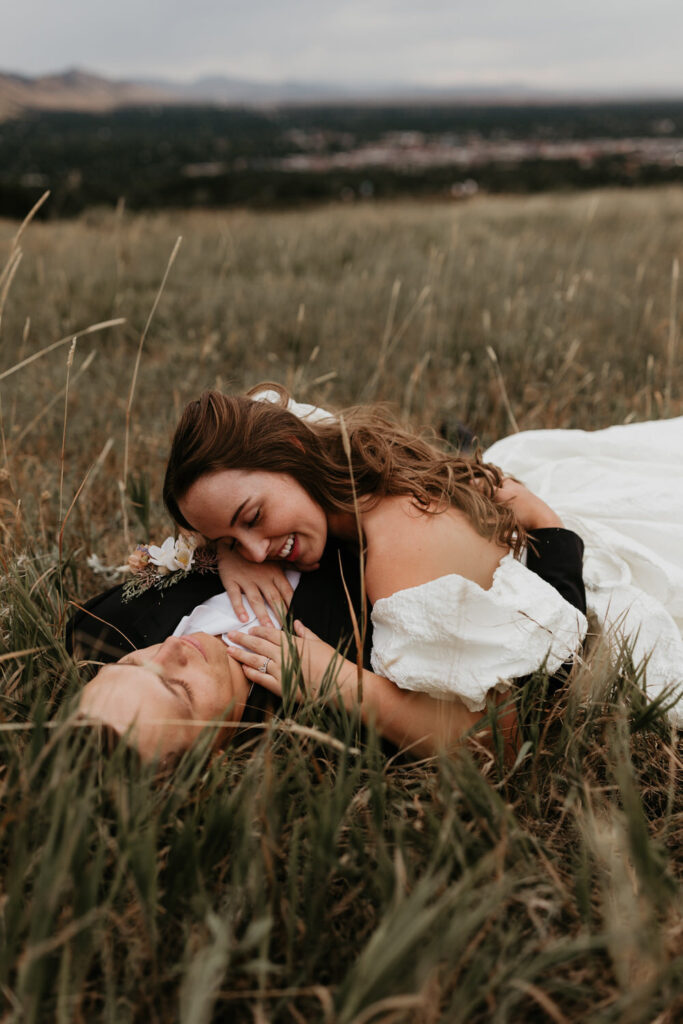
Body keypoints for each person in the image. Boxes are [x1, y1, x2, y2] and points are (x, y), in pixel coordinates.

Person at [162, 386, 683, 733]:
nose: (256, 551)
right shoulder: (318, 456)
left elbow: (500, 737)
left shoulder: (400, 555)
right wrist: (225, 553)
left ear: (292, 450)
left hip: (557, 575)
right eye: (231, 538)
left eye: (252, 517)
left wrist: (337, 683)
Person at [72, 512, 587, 761]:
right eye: (179, 691)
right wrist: (552, 533)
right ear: (206, 760)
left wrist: (226, 544)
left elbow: (206, 511)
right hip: (487, 528)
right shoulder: (322, 731)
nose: (172, 654)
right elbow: (512, 722)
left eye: (135, 667)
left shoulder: (105, 628)